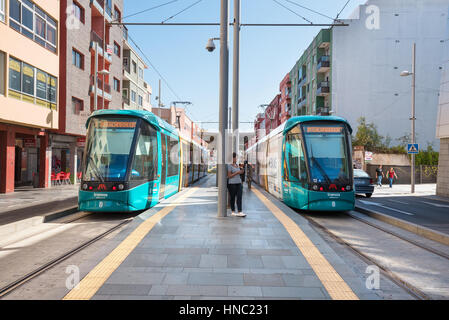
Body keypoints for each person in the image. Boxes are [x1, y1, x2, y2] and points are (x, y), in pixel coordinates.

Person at [227, 152, 246, 217]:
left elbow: (239, 173)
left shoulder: (237, 165)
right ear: (232, 158)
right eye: (236, 157)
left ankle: (240, 211)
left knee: (239, 197)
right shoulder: (229, 165)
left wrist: (241, 171)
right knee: (232, 197)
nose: (237, 159)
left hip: (239, 183)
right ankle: (233, 211)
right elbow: (229, 176)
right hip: (232, 184)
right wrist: (237, 172)